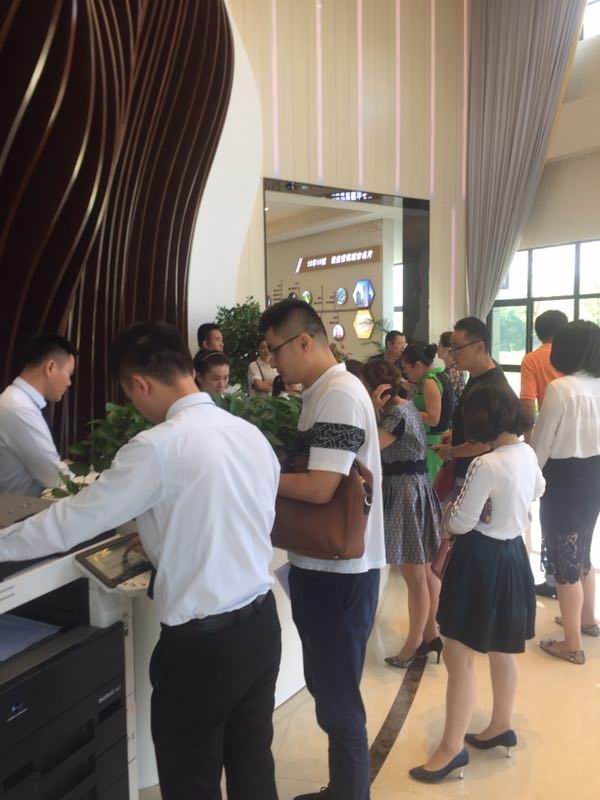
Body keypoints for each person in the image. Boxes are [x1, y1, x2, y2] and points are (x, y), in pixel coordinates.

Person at [0, 322, 282, 800]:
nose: (134, 407)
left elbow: (69, 523)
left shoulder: (157, 447)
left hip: (202, 649)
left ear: (139, 383)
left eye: (130, 395)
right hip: (260, 629)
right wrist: (158, 532)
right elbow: (241, 515)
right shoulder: (247, 433)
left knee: (191, 782)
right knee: (254, 770)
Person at [259, 299, 385, 800]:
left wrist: (257, 473)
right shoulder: (322, 392)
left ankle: (351, 793)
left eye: (275, 350)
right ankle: (343, 789)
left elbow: (318, 487)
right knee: (330, 688)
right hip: (324, 567)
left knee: (337, 698)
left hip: (339, 574)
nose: (272, 362)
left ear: (304, 341)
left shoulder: (339, 395)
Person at [409, 384, 543, 784]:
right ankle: (500, 725)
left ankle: (451, 749)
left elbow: (460, 522)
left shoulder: (486, 464)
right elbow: (539, 489)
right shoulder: (526, 453)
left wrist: (453, 511)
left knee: (459, 655)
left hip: (480, 559)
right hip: (513, 555)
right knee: (503, 647)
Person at [359, 359, 442, 669]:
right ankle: (430, 635)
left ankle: (413, 645)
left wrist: (369, 409)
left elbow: (367, 448)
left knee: (415, 575)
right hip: (414, 487)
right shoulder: (405, 406)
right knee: (424, 572)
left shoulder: (394, 415)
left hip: (405, 492)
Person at [532, 321, 600, 665]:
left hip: (564, 480)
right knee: (582, 550)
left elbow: (541, 444)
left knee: (564, 561)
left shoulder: (561, 388)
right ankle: (587, 620)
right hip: (593, 475)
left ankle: (572, 643)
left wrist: (530, 479)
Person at [433, 317, 510, 503]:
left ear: (479, 347)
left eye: (457, 348)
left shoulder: (489, 387)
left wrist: (450, 452)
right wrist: (455, 432)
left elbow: (483, 444)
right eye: (450, 348)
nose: (452, 354)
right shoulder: (478, 375)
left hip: (476, 475)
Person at [520, 309, 568, 599]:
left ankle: (554, 578)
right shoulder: (576, 359)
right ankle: (572, 575)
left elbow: (528, 405)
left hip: (549, 447)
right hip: (582, 448)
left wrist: (530, 446)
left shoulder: (533, 359)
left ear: (538, 332)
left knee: (550, 512)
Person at [0, 334, 76, 496]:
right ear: (50, 367)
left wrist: (58, 466)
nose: (69, 383)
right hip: (18, 509)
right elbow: (54, 477)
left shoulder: (18, 400)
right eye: (69, 374)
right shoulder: (19, 408)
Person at [401, 343, 453, 481]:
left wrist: (405, 409)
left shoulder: (430, 382)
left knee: (430, 486)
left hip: (433, 443)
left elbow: (433, 418)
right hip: (432, 441)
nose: (406, 374)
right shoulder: (436, 376)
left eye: (406, 369)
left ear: (417, 365)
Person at [438, 331, 466, 401]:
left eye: (439, 346)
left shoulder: (452, 373)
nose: (437, 349)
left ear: (446, 350)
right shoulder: (454, 368)